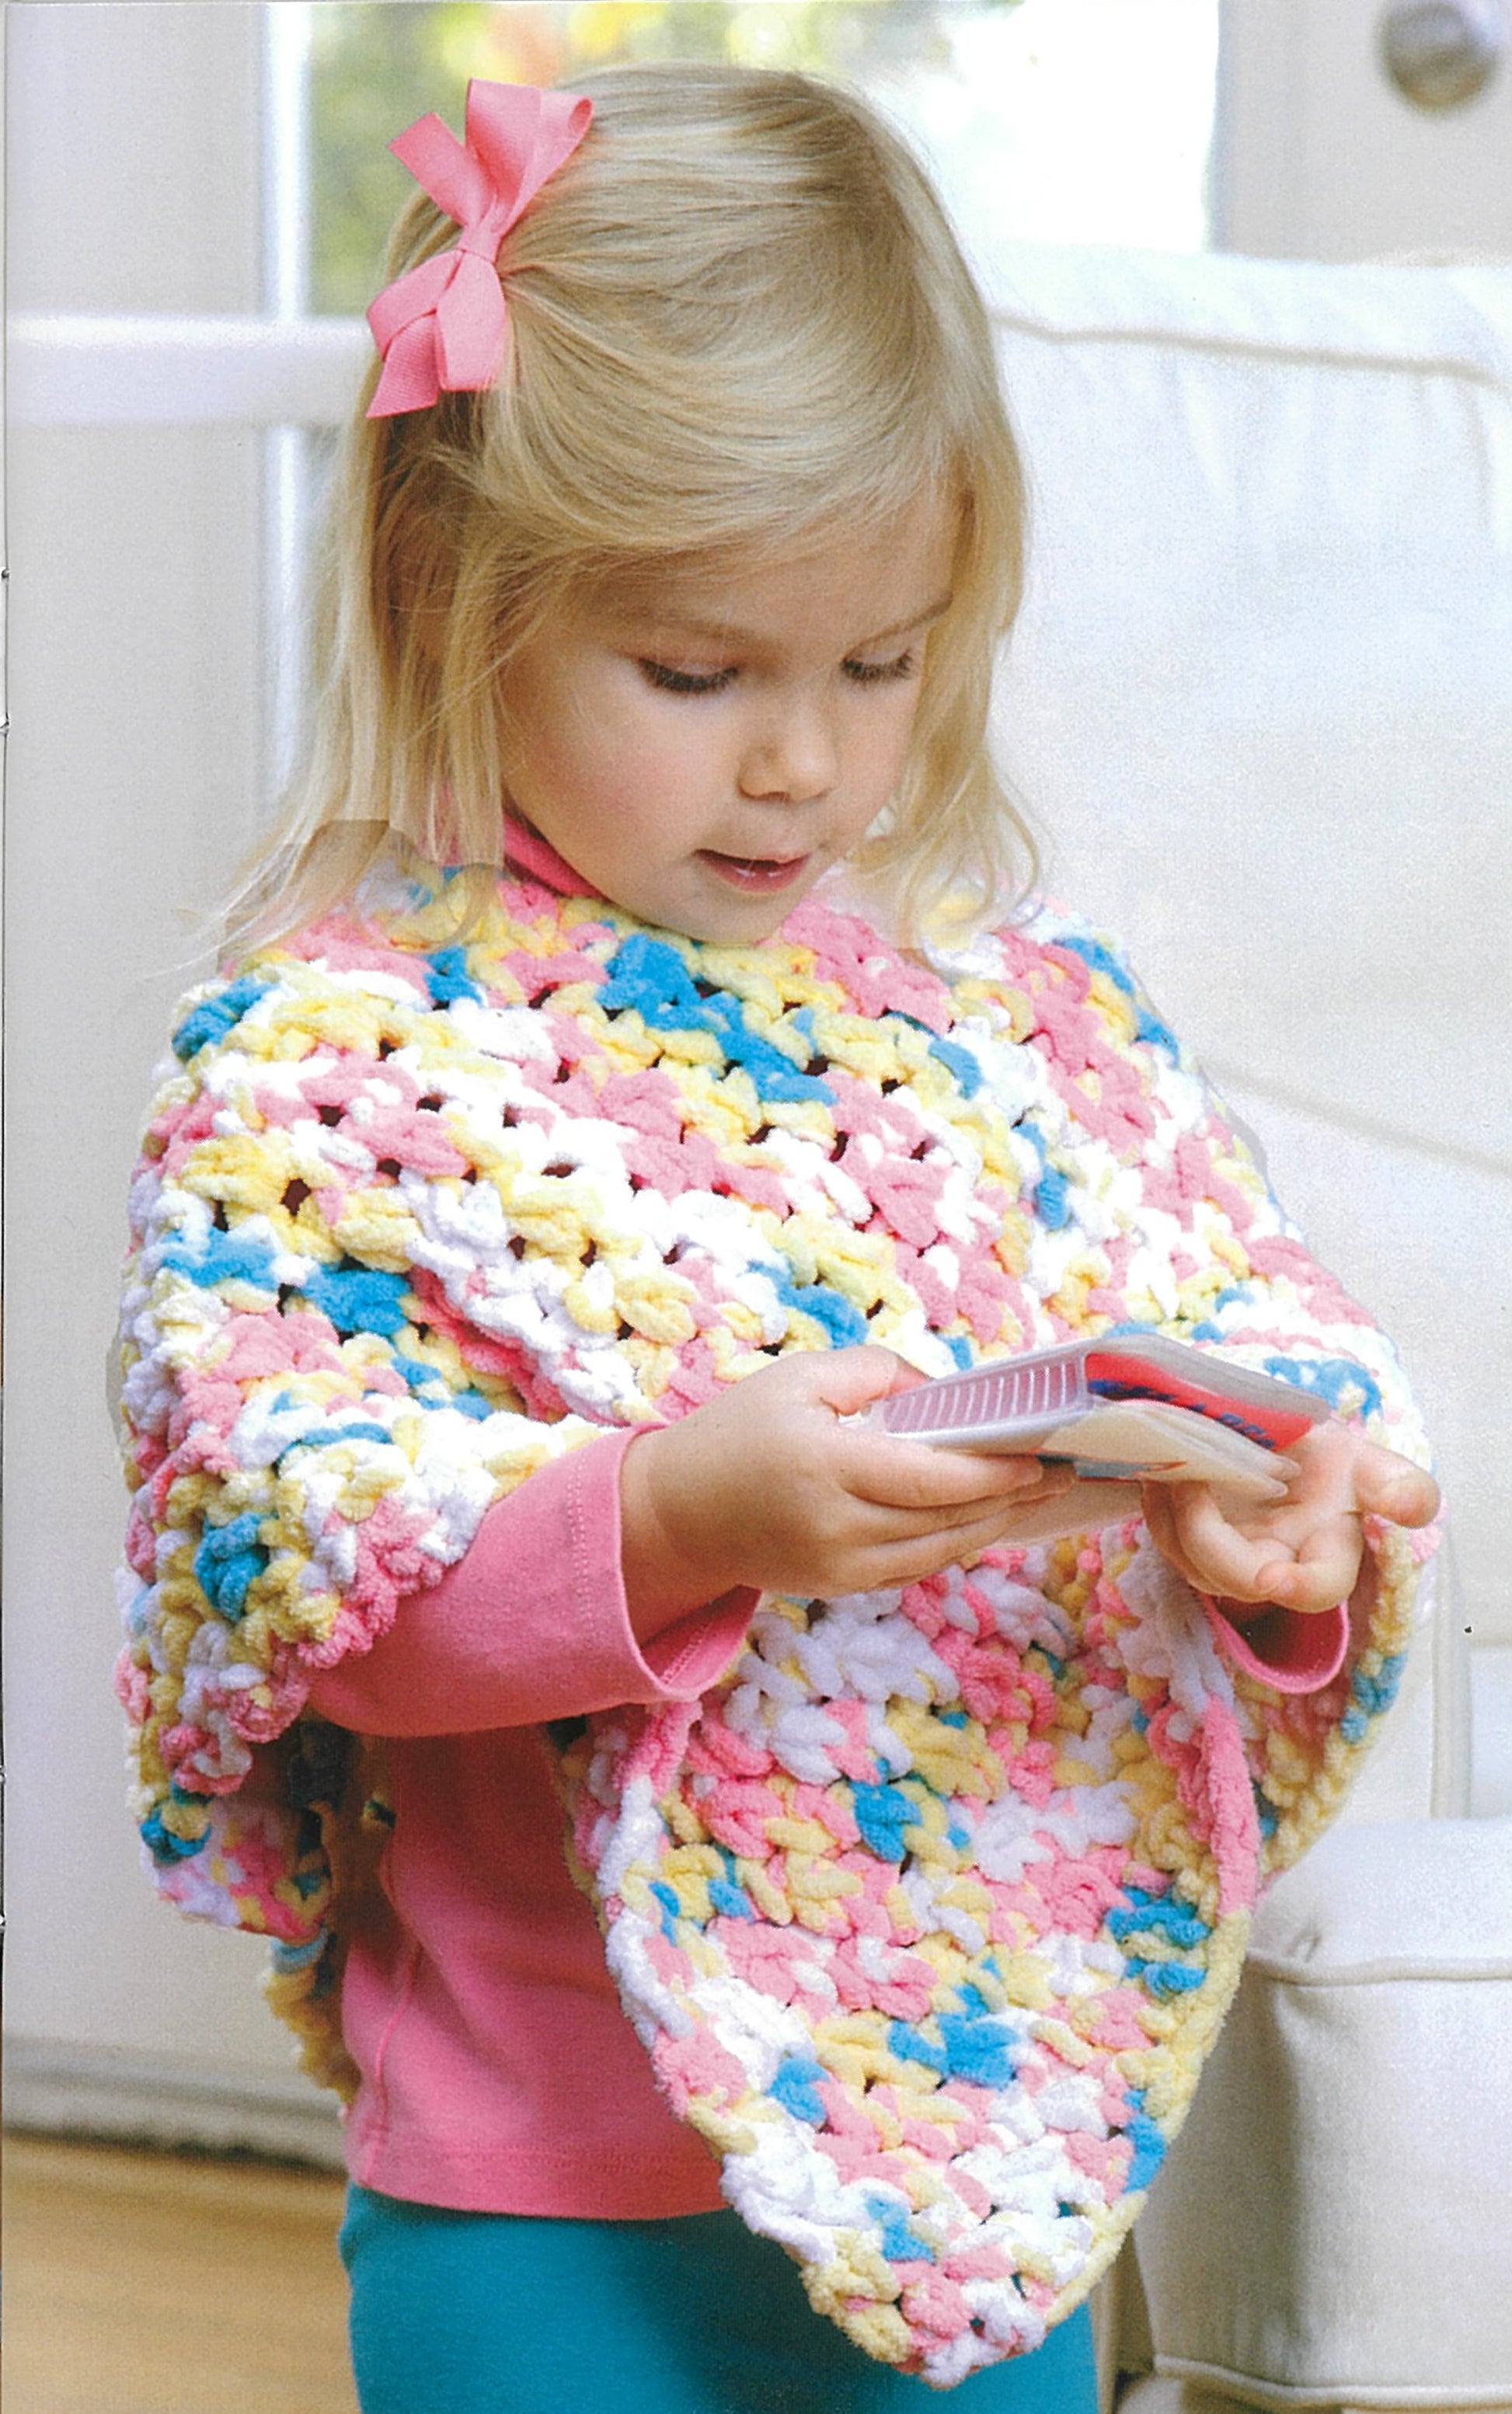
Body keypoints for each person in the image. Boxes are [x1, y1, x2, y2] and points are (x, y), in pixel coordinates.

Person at [113, 64, 1441, 2414]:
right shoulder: (327, 1071)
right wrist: (675, 1515)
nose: (803, 762)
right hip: (538, 2194)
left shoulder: (1022, 1035)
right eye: (700, 671)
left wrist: (1277, 1531)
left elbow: (1252, 1345)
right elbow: (304, 1566)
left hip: (996, 2121)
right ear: (454, 595)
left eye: (881, 661)